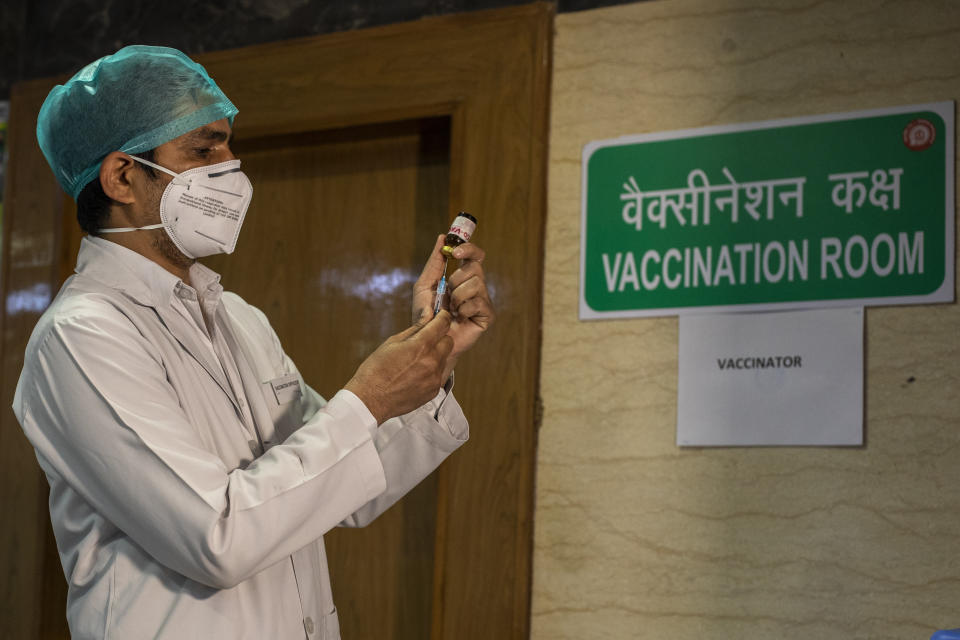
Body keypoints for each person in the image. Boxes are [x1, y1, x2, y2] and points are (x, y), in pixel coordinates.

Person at [13, 45, 494, 639]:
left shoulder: (237, 319)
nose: (231, 167)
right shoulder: (81, 337)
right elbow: (218, 538)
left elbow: (348, 489)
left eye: (229, 145)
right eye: (203, 149)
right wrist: (367, 397)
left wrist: (433, 351)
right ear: (121, 177)